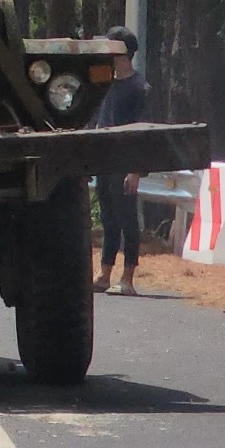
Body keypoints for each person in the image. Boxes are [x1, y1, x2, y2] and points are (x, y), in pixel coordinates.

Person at [90, 26, 150, 295]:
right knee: (109, 218)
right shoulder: (105, 85)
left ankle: (128, 277)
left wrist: (136, 169)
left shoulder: (140, 89)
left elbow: (143, 132)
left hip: (126, 163)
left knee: (127, 219)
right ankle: (104, 272)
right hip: (105, 161)